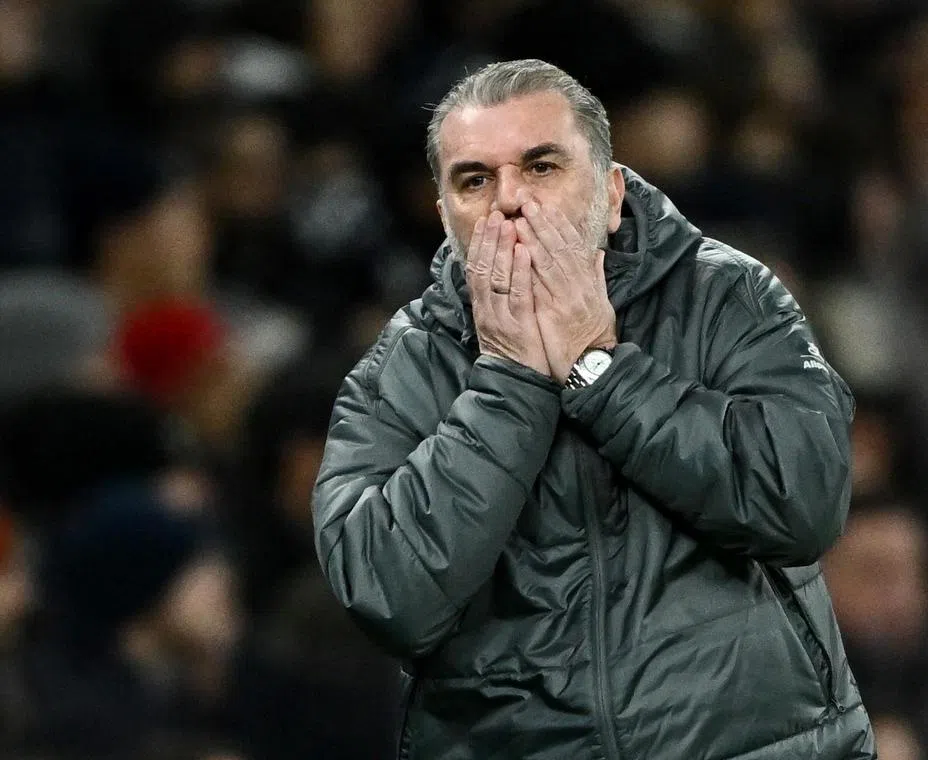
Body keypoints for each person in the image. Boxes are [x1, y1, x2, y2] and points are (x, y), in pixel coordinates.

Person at [312, 59, 874, 759]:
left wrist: (599, 370)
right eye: (475, 180)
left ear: (611, 194)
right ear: (444, 215)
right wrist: (509, 385)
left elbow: (804, 503)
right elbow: (388, 597)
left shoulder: (727, 298)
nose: (509, 200)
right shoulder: (402, 367)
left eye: (541, 166)